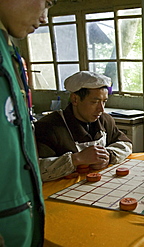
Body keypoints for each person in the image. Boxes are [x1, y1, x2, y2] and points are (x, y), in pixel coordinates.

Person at [0, 0, 57, 246]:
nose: (44, 17)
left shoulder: (9, 49)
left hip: (19, 221)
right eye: (46, 2)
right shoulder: (55, 126)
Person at [34, 71, 132, 181]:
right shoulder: (48, 127)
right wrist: (77, 159)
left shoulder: (105, 120)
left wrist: (108, 155)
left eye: (104, 102)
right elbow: (35, 169)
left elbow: (126, 144)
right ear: (75, 99)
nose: (101, 109)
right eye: (95, 102)